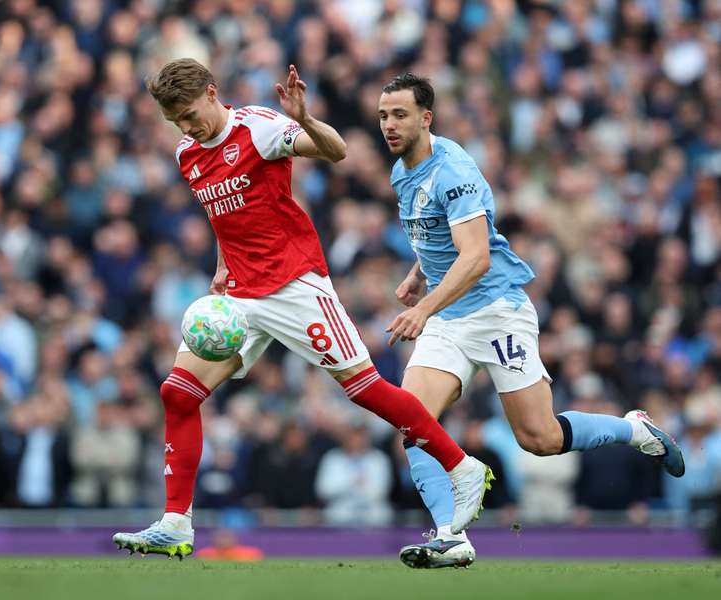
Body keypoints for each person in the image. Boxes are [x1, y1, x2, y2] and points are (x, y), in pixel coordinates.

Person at [112, 59, 491, 559]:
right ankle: (176, 523)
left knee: (365, 389)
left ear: (211, 93)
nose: (185, 127)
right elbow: (226, 216)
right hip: (240, 296)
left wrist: (305, 118)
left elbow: (337, 151)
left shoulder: (260, 129)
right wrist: (222, 265)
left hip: (295, 284)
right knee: (177, 393)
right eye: (174, 121)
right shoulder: (188, 153)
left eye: (189, 114)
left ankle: (462, 467)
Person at [377, 73, 685, 569]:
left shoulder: (453, 170)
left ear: (426, 118)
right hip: (448, 316)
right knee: (413, 420)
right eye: (383, 116)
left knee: (539, 438)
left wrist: (422, 307)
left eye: (400, 115)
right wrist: (419, 273)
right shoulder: (402, 170)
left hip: (497, 311)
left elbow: (477, 257)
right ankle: (450, 537)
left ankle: (633, 429)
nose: (389, 125)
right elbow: (435, 233)